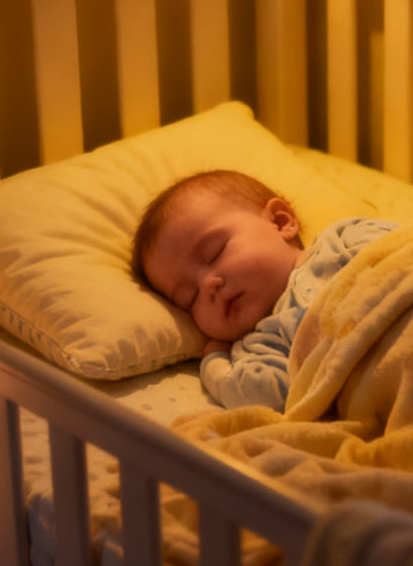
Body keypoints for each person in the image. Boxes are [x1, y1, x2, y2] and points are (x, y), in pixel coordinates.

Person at [133, 170, 395, 411]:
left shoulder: (341, 241)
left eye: (215, 252)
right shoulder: (262, 344)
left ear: (281, 222)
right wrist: (214, 359)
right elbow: (259, 396)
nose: (207, 287)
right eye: (190, 297)